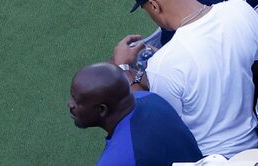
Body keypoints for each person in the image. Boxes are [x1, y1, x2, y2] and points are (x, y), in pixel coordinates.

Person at [118, 0, 258, 157]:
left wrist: (123, 68)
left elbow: (157, 123)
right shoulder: (240, 10)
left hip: (207, 158)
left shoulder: (164, 63)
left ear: (154, 6)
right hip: (257, 150)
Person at [68, 62, 202, 166]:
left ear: (102, 110)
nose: (70, 104)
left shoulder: (118, 159)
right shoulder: (151, 99)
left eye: (76, 101)